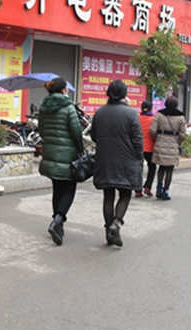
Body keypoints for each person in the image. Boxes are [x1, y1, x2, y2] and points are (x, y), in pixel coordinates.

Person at [91, 80, 143, 247]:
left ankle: (108, 231)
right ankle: (117, 222)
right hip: (126, 159)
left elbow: (94, 136)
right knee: (125, 193)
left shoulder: (100, 112)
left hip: (105, 159)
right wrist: (139, 158)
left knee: (108, 195)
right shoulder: (131, 113)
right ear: (124, 94)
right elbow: (137, 139)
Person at [37, 77, 85, 246]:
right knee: (69, 188)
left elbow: (41, 130)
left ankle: (58, 224)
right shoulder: (68, 107)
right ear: (64, 90)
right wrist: (80, 149)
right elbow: (76, 132)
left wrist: (51, 140)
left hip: (50, 151)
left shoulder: (43, 107)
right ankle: (58, 220)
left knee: (57, 188)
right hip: (68, 153)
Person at [150, 95, 186, 201]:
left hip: (160, 141)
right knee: (169, 169)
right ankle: (165, 191)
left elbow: (152, 130)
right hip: (173, 143)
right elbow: (183, 134)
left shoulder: (160, 114)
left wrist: (157, 138)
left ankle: (158, 188)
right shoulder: (181, 117)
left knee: (161, 167)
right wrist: (178, 142)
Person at [135, 99, 156, 198]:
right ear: (151, 109)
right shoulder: (153, 120)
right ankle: (148, 186)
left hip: (138, 147)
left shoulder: (137, 118)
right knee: (152, 167)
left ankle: (138, 190)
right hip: (150, 148)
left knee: (138, 168)